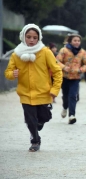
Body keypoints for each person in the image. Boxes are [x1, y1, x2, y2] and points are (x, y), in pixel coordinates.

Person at [4, 24, 62, 152]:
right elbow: (8, 72)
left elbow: (57, 72)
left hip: (43, 93)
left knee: (45, 117)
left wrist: (54, 90)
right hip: (25, 93)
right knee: (30, 120)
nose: (31, 40)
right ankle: (35, 141)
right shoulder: (16, 54)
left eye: (35, 37)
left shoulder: (46, 52)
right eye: (28, 37)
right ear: (23, 37)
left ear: (39, 38)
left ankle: (38, 125)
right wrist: (11, 74)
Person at [56, 34, 86, 124]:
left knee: (73, 95)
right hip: (65, 77)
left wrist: (81, 69)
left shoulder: (82, 52)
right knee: (65, 96)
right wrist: (63, 67)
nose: (77, 42)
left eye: (78, 41)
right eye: (75, 40)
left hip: (76, 77)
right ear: (70, 41)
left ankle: (72, 115)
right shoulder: (64, 50)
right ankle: (64, 107)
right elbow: (56, 61)